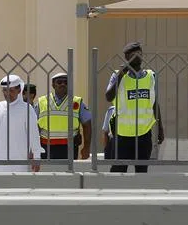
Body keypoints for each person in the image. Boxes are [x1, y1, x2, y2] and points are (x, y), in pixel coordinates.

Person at [104, 42, 164, 173]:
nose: (137, 57)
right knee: (118, 171)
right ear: (126, 57)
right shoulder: (117, 75)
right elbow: (108, 97)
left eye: (140, 54)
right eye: (133, 54)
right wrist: (120, 75)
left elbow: (154, 103)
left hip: (143, 134)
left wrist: (160, 127)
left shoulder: (150, 76)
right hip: (122, 134)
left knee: (141, 172)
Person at [0, 73, 42, 173]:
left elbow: (34, 135)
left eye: (11, 91)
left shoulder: (27, 109)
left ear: (19, 91)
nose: (7, 94)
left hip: (18, 162)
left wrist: (37, 157)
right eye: (4, 90)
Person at [36, 72, 93, 160]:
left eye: (66, 82)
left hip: (69, 147)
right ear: (53, 85)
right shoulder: (41, 102)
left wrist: (86, 147)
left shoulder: (77, 102)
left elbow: (87, 124)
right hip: (45, 147)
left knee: (68, 173)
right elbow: (34, 126)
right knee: (47, 173)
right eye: (59, 82)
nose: (63, 84)